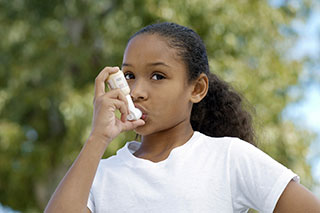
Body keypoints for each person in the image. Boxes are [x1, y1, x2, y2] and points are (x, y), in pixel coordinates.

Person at [45, 22, 320, 212]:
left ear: (197, 89)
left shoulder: (229, 158)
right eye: (129, 75)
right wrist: (97, 138)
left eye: (158, 76)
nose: (137, 91)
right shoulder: (99, 174)